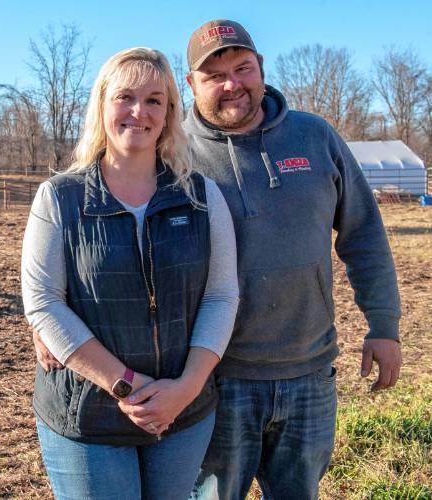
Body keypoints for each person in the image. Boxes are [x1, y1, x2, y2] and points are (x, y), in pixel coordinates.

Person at [36, 20, 404, 499]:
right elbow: (96, 240)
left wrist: (384, 324)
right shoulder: (172, 154)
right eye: (214, 75)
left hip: (309, 374)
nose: (232, 84)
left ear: (261, 69)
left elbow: (364, 235)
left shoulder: (316, 138)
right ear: (189, 87)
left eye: (242, 68)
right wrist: (48, 329)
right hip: (215, 381)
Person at [21, 47, 239, 499]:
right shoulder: (59, 199)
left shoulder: (202, 197)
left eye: (155, 100)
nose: (139, 112)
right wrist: (130, 387)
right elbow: (43, 303)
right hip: (87, 415)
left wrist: (186, 388)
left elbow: (221, 296)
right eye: (125, 97)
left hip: (183, 413)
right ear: (102, 104)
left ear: (169, 115)